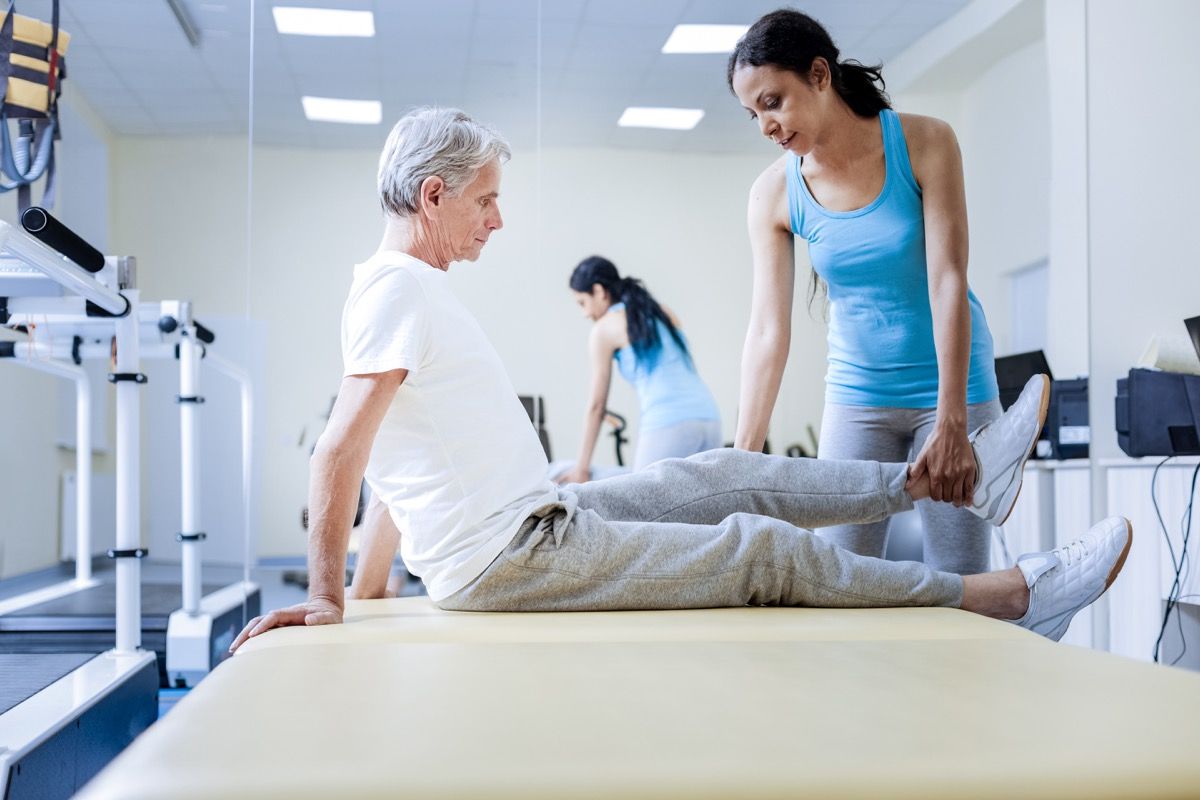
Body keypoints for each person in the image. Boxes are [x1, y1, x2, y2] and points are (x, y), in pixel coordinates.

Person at [230, 107, 1130, 653]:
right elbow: (341, 450)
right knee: (756, 549)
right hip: (514, 557)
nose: (498, 220)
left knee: (723, 475)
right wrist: (328, 597)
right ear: (434, 196)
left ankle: (948, 478)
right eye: (486, 199)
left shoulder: (407, 293)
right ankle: (1012, 594)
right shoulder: (397, 290)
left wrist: (377, 586)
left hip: (541, 520)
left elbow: (393, 459)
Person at [728, 9, 1006, 575]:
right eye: (753, 112)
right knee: (839, 577)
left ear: (820, 75)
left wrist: (953, 418)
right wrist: (740, 458)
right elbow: (766, 330)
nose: (765, 126)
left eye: (773, 101)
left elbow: (948, 279)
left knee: (962, 580)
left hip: (953, 390)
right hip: (857, 396)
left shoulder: (925, 142)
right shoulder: (774, 194)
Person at [558, 255, 721, 484]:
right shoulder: (661, 311)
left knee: (643, 507)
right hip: (709, 418)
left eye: (582, 303)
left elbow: (596, 406)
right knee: (701, 509)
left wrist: (581, 469)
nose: (585, 313)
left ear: (599, 291)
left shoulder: (603, 330)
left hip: (669, 422)